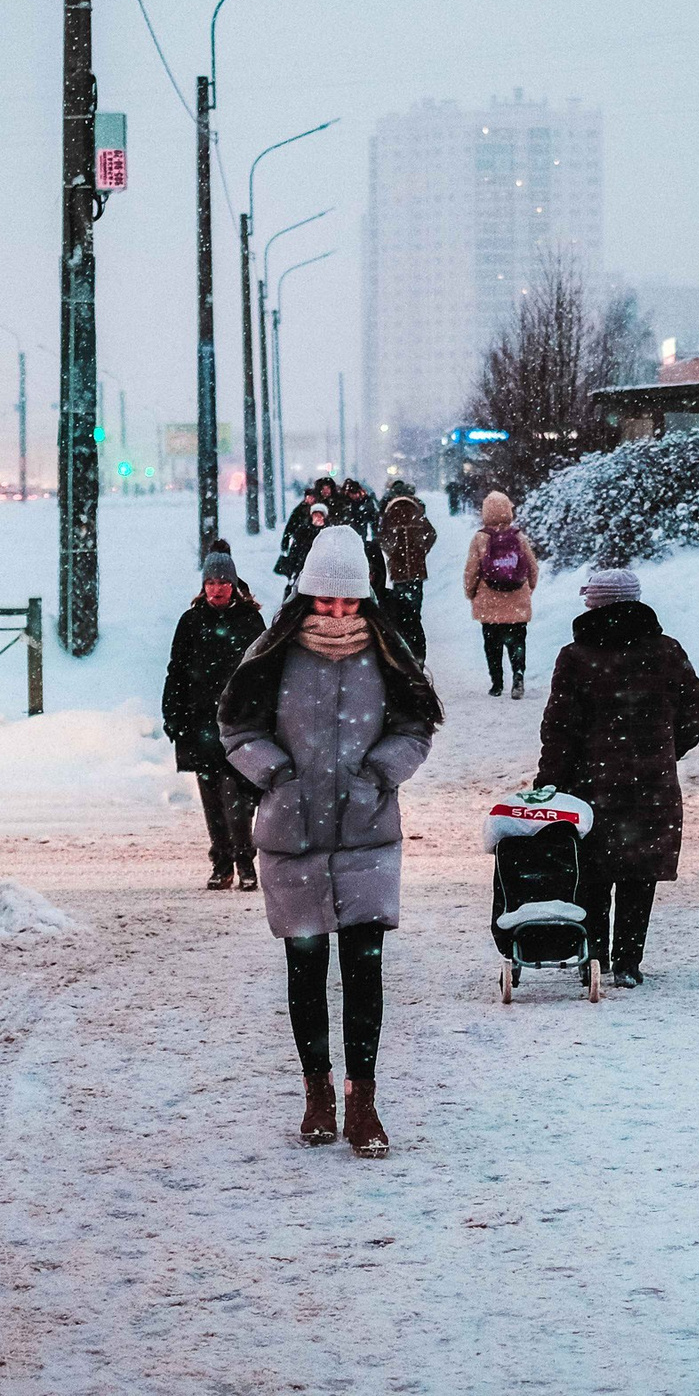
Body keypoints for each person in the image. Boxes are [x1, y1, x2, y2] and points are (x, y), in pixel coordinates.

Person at [218, 525, 441, 1158]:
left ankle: (362, 1102)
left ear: (364, 597)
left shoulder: (388, 652)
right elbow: (237, 729)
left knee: (364, 973)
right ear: (305, 597)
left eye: (348, 601)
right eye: (325, 600)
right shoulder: (273, 653)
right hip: (292, 835)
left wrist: (378, 774)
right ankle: (317, 1095)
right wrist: (277, 774)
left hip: (368, 834)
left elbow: (416, 728)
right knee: (306, 969)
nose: (338, 612)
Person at [534, 567, 699, 989]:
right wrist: (665, 751)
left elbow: (560, 728)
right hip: (652, 784)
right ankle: (629, 962)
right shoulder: (667, 651)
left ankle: (595, 958)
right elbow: (693, 711)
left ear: (595, 604)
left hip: (590, 785)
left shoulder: (576, 656)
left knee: (592, 873)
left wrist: (550, 779)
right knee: (639, 875)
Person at [162, 545, 267, 890]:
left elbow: (262, 671)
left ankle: (245, 862)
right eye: (210, 582)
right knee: (211, 795)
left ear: (233, 584)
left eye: (223, 582)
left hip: (239, 721)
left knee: (239, 794)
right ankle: (221, 863)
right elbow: (176, 671)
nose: (216, 588)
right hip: (200, 721)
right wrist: (173, 715)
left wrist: (263, 714)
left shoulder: (249, 620)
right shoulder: (191, 621)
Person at [462, 489, 540, 698]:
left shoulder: (480, 538)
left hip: (489, 602)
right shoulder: (518, 536)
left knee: (492, 645)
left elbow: (472, 570)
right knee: (517, 642)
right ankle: (518, 676)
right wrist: (528, 589)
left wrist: (471, 593)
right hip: (517, 601)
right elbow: (532, 567)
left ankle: (497, 683)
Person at [377, 479, 439, 659]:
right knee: (415, 607)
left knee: (401, 607)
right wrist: (421, 551)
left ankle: (406, 641)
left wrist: (392, 552)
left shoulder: (390, 511)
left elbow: (382, 537)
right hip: (417, 568)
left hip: (399, 569)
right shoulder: (416, 510)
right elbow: (431, 534)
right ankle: (415, 641)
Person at [276, 499, 332, 583]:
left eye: (320, 515)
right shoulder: (303, 530)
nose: (317, 518)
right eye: (315, 515)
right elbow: (295, 551)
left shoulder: (329, 532)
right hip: (303, 567)